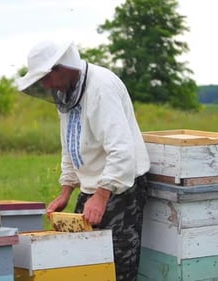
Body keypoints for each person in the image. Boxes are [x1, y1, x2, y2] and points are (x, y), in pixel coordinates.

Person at [16, 40, 151, 281]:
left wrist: (101, 195)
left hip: (121, 188)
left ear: (62, 68)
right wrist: (66, 190)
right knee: (82, 262)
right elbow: (70, 144)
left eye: (46, 77)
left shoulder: (102, 87)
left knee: (117, 267)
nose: (45, 85)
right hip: (94, 188)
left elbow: (122, 149)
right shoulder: (66, 93)